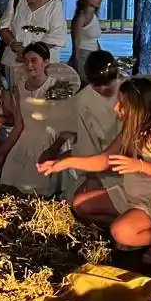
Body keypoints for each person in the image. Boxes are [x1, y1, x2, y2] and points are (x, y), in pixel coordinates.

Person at [39, 77, 151, 256]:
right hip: (133, 194)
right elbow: (104, 160)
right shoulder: (130, 130)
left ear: (137, 107)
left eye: (122, 104)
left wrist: (140, 166)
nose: (116, 108)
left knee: (120, 233)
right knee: (79, 204)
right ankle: (133, 227)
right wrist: (63, 163)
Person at [0, 42, 81, 196]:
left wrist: (53, 151)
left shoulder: (59, 88)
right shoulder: (20, 87)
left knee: (38, 190)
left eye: (34, 60)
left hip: (50, 142)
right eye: (26, 61)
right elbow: (19, 125)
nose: (29, 65)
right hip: (25, 142)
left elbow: (69, 127)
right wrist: (3, 150)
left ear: (46, 62)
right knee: (10, 183)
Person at [60, 51, 123, 198]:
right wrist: (92, 173)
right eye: (97, 86)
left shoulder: (128, 90)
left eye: (107, 84)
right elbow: (86, 139)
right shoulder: (83, 100)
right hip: (101, 160)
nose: (102, 89)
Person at [0, 0, 67, 83]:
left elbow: (57, 36)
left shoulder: (54, 5)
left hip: (44, 67)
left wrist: (30, 54)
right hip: (15, 64)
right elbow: (4, 28)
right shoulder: (16, 1)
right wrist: (14, 45)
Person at [70, 0, 105, 73]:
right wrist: (79, 70)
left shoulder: (94, 15)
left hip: (93, 59)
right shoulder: (81, 17)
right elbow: (76, 47)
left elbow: (94, 41)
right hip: (83, 58)